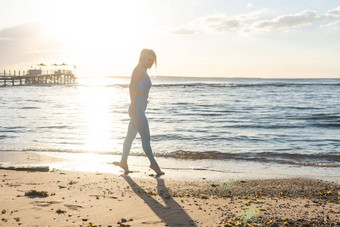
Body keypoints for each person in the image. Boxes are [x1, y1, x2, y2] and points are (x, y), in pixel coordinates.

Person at [119, 49, 164, 176]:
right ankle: (153, 163)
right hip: (136, 109)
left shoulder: (143, 70)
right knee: (146, 138)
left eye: (152, 60)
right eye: (148, 59)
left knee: (129, 138)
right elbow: (132, 86)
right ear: (142, 58)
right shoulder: (138, 69)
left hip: (139, 108)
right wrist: (133, 104)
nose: (150, 62)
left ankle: (123, 161)